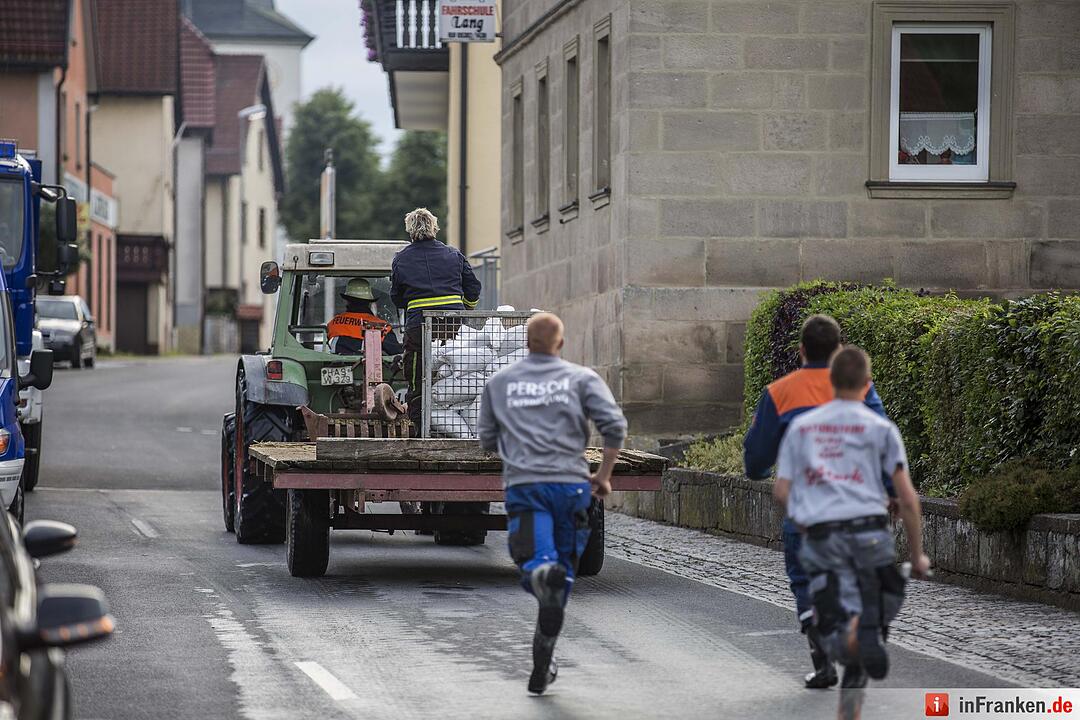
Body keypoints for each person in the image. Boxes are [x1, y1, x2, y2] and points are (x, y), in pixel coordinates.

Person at [773, 347, 930, 718]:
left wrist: (804, 518)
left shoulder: (803, 428)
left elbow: (781, 490)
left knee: (829, 621)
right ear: (867, 385)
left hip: (823, 537)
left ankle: (852, 638)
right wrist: (918, 554)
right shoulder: (881, 429)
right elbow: (908, 499)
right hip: (870, 533)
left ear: (829, 383)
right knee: (879, 601)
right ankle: (858, 667)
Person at [478, 313, 627, 695]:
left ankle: (540, 575)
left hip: (527, 488)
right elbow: (614, 426)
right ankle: (544, 660)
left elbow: (487, 441)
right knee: (563, 578)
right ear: (560, 344)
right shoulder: (582, 379)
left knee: (537, 563)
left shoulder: (499, 383)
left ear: (526, 343)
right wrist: (605, 475)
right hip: (572, 488)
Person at [743, 314, 891, 689]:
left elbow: (757, 456)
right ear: (839, 348)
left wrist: (761, 471)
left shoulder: (780, 392)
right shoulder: (860, 387)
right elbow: (883, 440)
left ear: (801, 350)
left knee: (805, 582)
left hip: (805, 513)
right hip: (856, 510)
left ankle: (822, 659)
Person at [390, 208, 481, 433]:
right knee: (453, 371)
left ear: (410, 231)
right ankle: (457, 422)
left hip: (418, 326)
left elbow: (397, 296)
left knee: (416, 373)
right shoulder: (453, 254)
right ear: (434, 228)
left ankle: (420, 425)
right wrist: (466, 310)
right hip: (453, 325)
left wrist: (412, 305)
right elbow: (473, 288)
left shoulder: (401, 259)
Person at [327, 278, 403, 356]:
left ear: (347, 300)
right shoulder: (382, 327)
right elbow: (396, 353)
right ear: (369, 302)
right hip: (371, 367)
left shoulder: (333, 323)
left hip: (336, 366)